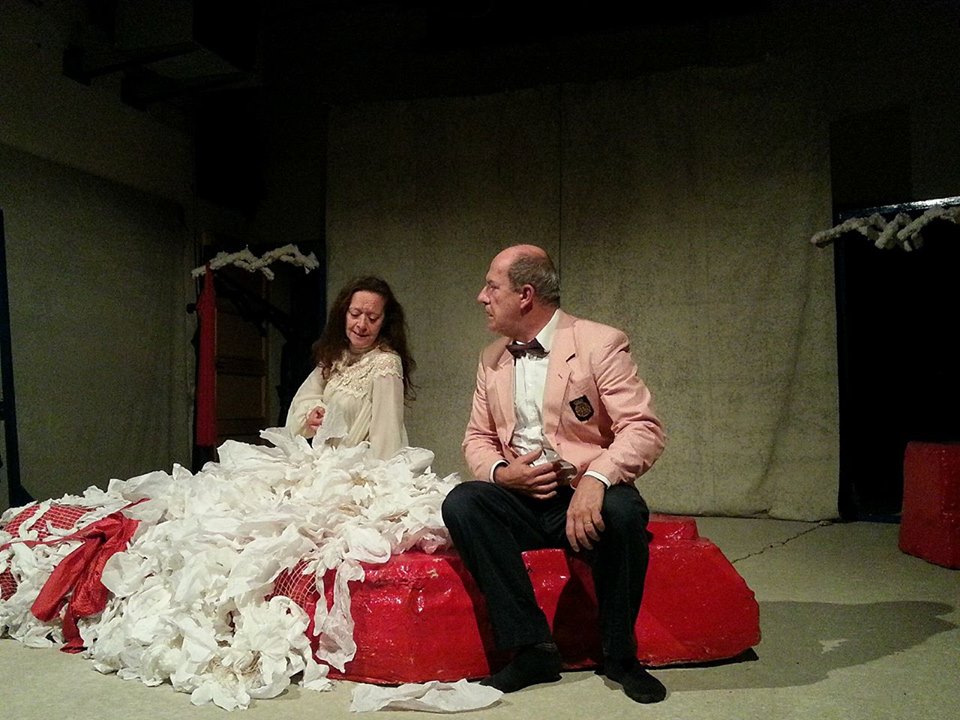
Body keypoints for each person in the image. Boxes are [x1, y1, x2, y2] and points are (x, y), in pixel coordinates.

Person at [441, 244, 667, 704]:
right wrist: (502, 473)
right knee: (463, 503)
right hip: (524, 498)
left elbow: (643, 429)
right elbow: (477, 438)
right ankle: (532, 648)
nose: (481, 297)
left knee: (623, 512)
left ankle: (621, 656)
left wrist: (595, 479)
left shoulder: (599, 343)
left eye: (492, 287)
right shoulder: (491, 359)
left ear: (525, 295)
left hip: (584, 492)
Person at [286, 275, 416, 460]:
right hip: (325, 463)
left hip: (360, 469)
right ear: (344, 314)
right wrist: (313, 412)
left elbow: (387, 437)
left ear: (384, 321)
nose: (361, 325)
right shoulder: (337, 354)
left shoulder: (385, 363)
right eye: (355, 314)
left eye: (372, 318)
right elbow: (305, 397)